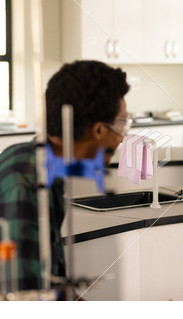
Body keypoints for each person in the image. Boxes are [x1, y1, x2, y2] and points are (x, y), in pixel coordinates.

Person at [0, 60, 130, 291]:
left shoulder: (45, 169)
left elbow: (51, 285)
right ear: (99, 130)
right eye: (122, 124)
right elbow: (25, 297)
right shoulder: (25, 180)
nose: (122, 137)